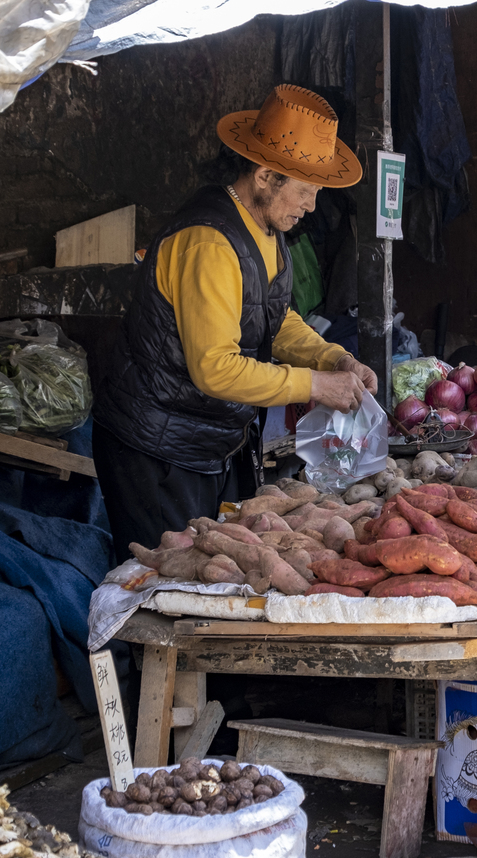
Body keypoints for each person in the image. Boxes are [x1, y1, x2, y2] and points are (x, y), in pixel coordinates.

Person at [94, 84, 378, 561]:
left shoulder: (264, 226)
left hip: (206, 442)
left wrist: (334, 358)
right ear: (266, 175)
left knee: (207, 569)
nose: (311, 205)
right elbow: (216, 369)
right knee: (162, 582)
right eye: (306, 190)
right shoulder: (209, 243)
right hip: (157, 448)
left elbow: (272, 316)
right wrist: (314, 385)